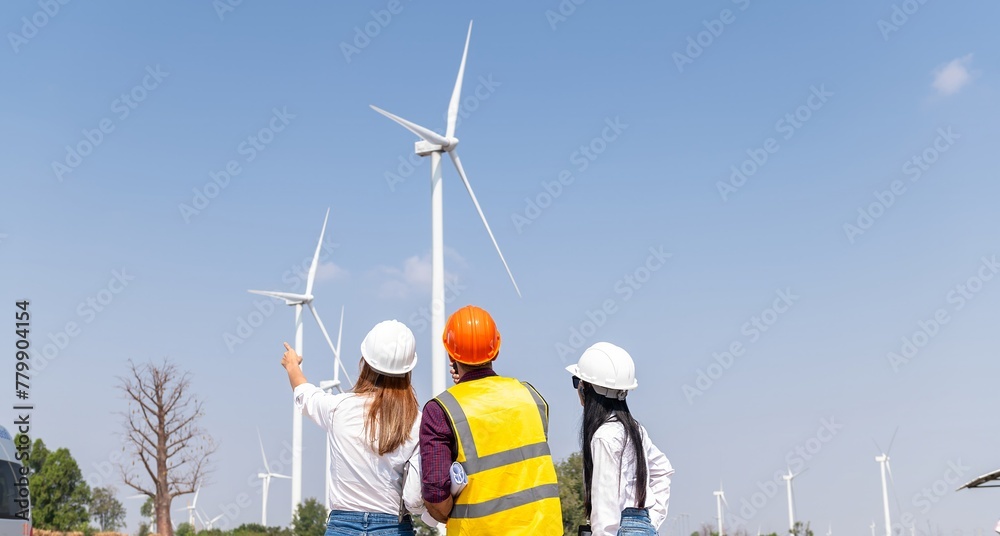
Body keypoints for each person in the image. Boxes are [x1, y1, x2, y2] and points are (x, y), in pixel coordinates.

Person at [419, 305, 563, 535]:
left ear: (450, 354)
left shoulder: (440, 411)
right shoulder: (531, 397)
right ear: (495, 350)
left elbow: (437, 498)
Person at [280, 319, 424, 536]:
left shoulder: (338, 407)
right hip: (393, 527)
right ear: (408, 370)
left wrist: (292, 366)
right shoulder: (417, 422)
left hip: (342, 528)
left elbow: (305, 394)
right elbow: (414, 497)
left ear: (365, 362)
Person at [566, 342, 674, 536]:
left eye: (577, 382)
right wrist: (649, 522)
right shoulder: (635, 430)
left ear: (587, 388)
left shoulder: (603, 437)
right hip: (644, 527)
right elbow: (663, 470)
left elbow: (606, 512)